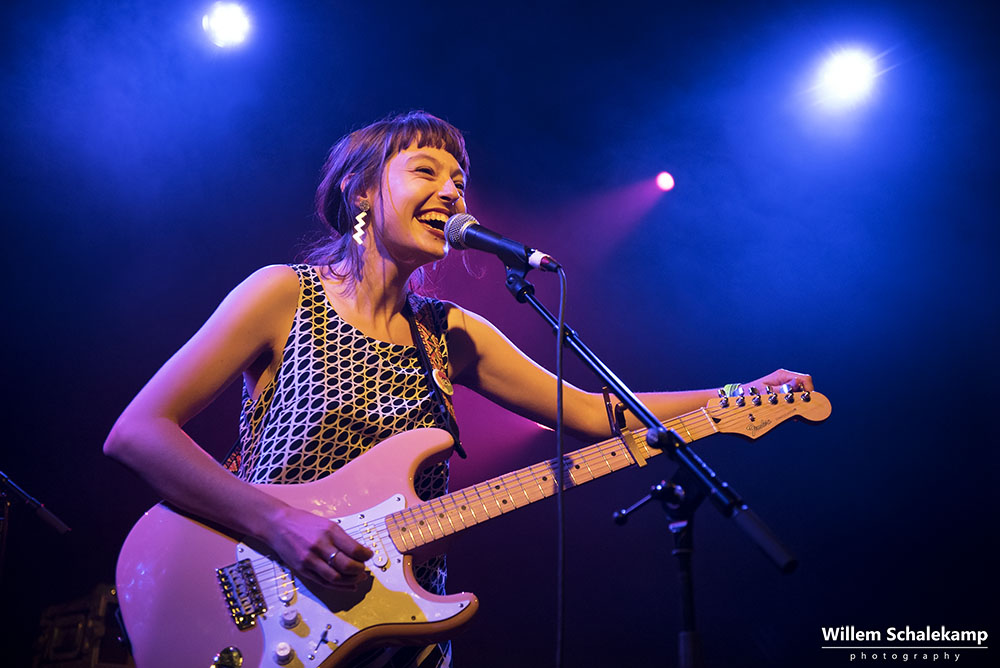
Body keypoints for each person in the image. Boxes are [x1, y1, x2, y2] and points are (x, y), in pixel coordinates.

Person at [103, 110, 811, 667]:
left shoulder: (452, 333)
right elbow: (138, 433)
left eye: (460, 180)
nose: (452, 192)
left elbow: (599, 413)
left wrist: (734, 397)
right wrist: (277, 523)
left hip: (404, 636)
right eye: (426, 171)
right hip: (273, 613)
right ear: (363, 192)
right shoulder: (284, 295)